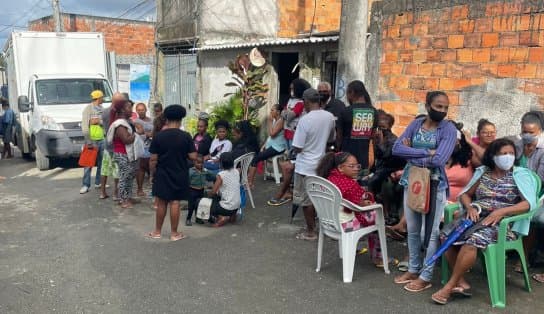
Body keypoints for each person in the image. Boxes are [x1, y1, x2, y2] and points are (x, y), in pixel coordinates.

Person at [431, 138, 538, 305]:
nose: (508, 157)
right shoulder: (483, 173)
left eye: (511, 153)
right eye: (503, 154)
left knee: (472, 242)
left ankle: (449, 286)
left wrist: (502, 212)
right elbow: (465, 194)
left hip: (502, 225)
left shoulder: (519, 175)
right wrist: (470, 208)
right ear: (493, 156)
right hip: (475, 217)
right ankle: (461, 282)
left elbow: (528, 204)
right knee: (447, 237)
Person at [392, 91, 457, 292]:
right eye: (438, 106)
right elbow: (396, 149)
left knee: (430, 232)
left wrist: (412, 154)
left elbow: (439, 160)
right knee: (412, 228)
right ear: (428, 105)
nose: (443, 111)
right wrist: (426, 152)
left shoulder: (449, 129)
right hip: (412, 182)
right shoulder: (415, 124)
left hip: (435, 184)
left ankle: (426, 275)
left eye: (445, 107)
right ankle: (413, 268)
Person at [317, 151, 386, 266]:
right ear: (340, 168)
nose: (356, 169)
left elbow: (348, 202)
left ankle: (353, 247)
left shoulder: (329, 178)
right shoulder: (350, 185)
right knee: (378, 217)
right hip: (345, 224)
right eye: (351, 166)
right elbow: (357, 206)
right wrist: (367, 205)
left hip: (327, 222)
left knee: (372, 212)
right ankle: (378, 257)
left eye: (357, 166)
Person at [147, 105, 197, 240]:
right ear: (181, 119)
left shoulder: (159, 136)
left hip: (162, 173)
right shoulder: (185, 136)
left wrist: (152, 175)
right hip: (179, 173)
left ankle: (157, 232)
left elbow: (153, 159)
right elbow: (193, 157)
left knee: (162, 202)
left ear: (166, 119)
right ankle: (174, 234)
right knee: (175, 202)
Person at [292, 88, 335, 240]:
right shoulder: (329, 117)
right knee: (319, 198)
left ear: (307, 102)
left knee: (306, 200)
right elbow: (331, 139)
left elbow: (297, 146)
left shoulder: (305, 120)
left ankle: (311, 232)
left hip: (305, 166)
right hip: (321, 165)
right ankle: (321, 227)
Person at [337, 80, 377, 171]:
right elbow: (373, 137)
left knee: (345, 184)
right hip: (365, 161)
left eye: (347, 93)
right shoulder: (374, 111)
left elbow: (339, 137)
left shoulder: (345, 112)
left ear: (352, 92)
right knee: (361, 185)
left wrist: (337, 151)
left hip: (346, 160)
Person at [248, 103, 287, 187]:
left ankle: (250, 182)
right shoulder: (274, 120)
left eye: (272, 110)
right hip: (272, 145)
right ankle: (249, 180)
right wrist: (264, 145)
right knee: (256, 155)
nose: (271, 112)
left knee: (256, 158)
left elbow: (272, 134)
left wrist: (269, 121)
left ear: (278, 112)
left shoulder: (281, 121)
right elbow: (270, 136)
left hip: (278, 147)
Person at [107, 99, 137, 209]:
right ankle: (123, 200)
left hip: (127, 154)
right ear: (123, 110)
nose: (131, 110)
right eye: (129, 108)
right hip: (122, 154)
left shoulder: (125, 122)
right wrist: (135, 135)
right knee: (124, 177)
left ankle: (127, 197)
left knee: (129, 176)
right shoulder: (120, 124)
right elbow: (126, 140)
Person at [80, 90, 106, 194]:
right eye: (102, 97)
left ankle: (98, 182)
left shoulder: (103, 109)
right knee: (88, 163)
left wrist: (98, 121)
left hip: (102, 139)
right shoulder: (88, 109)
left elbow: (105, 122)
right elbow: (85, 126)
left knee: (101, 162)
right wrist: (88, 141)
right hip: (92, 140)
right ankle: (85, 185)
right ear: (98, 98)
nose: (103, 99)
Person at [99, 93, 123, 200]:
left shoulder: (104, 112)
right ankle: (115, 194)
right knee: (116, 170)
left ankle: (103, 192)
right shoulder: (118, 113)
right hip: (116, 145)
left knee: (105, 170)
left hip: (107, 144)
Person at [208, 152, 241, 227]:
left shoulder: (221, 175)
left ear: (221, 163)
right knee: (228, 196)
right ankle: (233, 216)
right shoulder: (237, 171)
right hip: (237, 206)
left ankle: (222, 217)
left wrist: (208, 195)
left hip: (226, 208)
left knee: (208, 203)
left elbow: (213, 192)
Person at [445, 122, 474, 203]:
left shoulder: (468, 156)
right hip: (435, 206)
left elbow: (486, 162)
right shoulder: (434, 156)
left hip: (461, 207)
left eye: (455, 139)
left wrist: (470, 142)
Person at [282, 79, 311, 149]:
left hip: (295, 134)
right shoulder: (290, 100)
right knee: (288, 154)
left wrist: (286, 112)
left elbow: (289, 116)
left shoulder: (301, 103)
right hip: (286, 132)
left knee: (293, 155)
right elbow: (283, 113)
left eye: (293, 88)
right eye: (290, 88)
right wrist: (286, 112)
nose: (291, 90)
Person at [187, 155, 215, 226]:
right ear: (194, 162)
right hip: (192, 190)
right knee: (191, 206)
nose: (200, 165)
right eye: (198, 163)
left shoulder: (204, 171)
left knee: (199, 205)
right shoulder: (191, 171)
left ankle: (198, 218)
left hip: (201, 190)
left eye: (202, 163)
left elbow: (213, 176)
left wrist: (206, 170)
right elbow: (186, 179)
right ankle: (188, 219)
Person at [133, 103, 154, 197]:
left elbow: (155, 132)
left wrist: (151, 134)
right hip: (141, 148)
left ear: (146, 110)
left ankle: (153, 189)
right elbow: (136, 136)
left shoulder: (151, 120)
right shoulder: (135, 122)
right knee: (141, 169)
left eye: (142, 109)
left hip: (152, 147)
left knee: (153, 169)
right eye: (139, 110)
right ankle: (140, 189)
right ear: (136, 111)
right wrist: (146, 135)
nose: (141, 111)